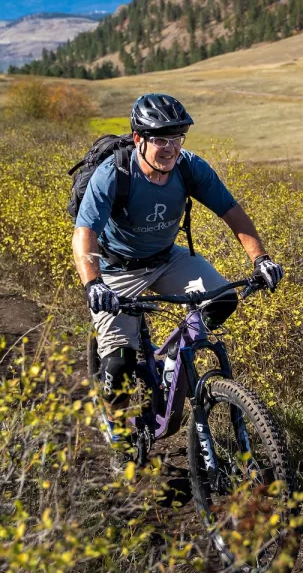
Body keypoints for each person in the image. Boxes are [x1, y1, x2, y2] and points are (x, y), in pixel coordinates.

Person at [71, 93, 284, 456]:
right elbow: (84, 232)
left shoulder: (188, 168)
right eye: (159, 139)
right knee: (118, 367)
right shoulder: (115, 174)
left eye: (176, 138)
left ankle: (171, 360)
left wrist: (260, 259)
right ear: (139, 139)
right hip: (117, 270)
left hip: (168, 258)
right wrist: (93, 284)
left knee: (223, 299)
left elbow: (231, 211)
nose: (169, 148)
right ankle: (119, 428)